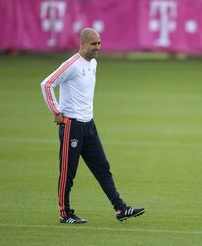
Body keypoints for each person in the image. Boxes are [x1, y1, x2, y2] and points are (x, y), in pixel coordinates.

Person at [40, 28, 145, 224]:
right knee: (68, 172)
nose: (97, 48)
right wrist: (56, 111)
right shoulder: (71, 65)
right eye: (93, 44)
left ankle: (120, 208)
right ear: (82, 44)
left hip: (89, 124)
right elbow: (46, 84)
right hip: (72, 125)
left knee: (102, 167)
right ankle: (65, 213)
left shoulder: (93, 63)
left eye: (99, 43)